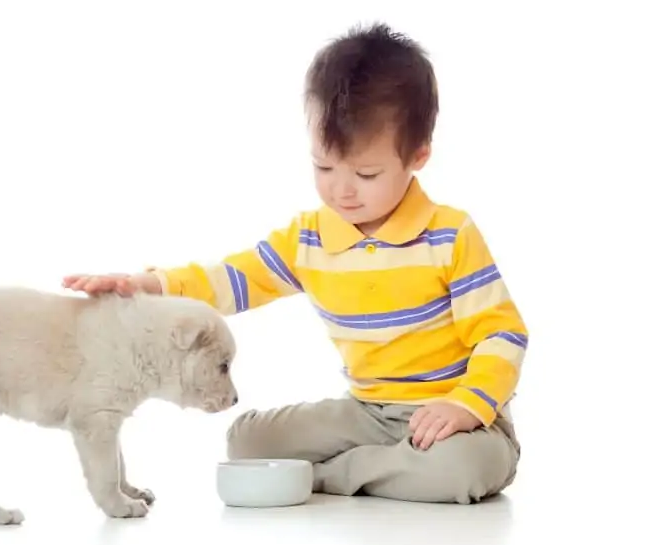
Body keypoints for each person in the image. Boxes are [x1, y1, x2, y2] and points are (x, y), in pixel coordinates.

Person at [62, 22, 528, 504]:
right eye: (324, 166)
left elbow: (502, 334)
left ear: (418, 156)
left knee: (462, 471)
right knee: (249, 444)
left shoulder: (450, 235)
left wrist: (467, 405)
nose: (341, 190)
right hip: (366, 413)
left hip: (459, 419)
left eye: (366, 173)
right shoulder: (309, 238)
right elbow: (233, 279)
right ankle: (388, 468)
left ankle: (329, 476)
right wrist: (148, 287)